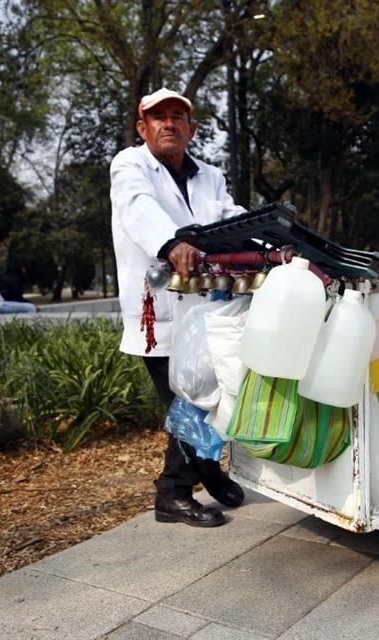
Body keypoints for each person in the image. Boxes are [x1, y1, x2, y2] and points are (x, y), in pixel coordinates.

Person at [110, 87, 246, 528]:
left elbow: (230, 217)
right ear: (142, 127)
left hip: (206, 307)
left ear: (192, 128)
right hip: (161, 312)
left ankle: (207, 469)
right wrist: (171, 243)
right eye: (158, 117)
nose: (168, 123)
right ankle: (173, 492)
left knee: (215, 393)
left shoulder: (210, 175)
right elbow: (138, 208)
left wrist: (271, 238)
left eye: (177, 116)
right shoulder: (130, 166)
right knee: (186, 400)